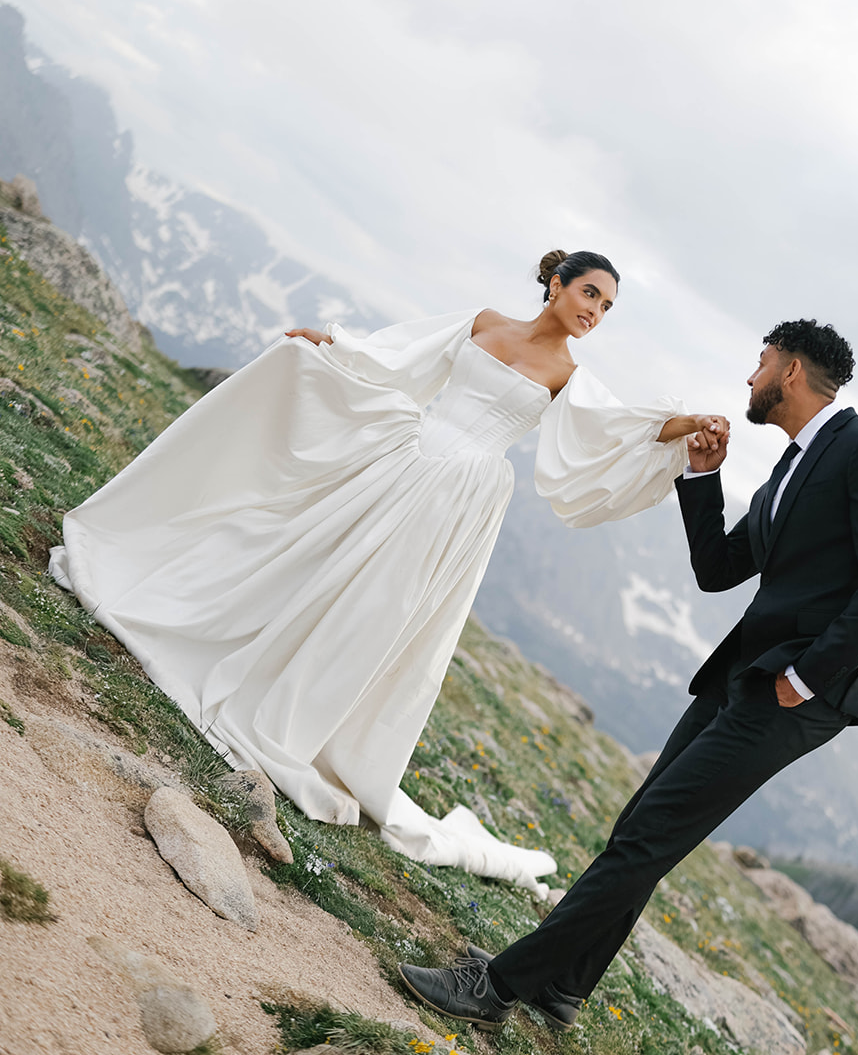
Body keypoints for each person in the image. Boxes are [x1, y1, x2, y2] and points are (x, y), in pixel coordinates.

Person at [49, 249, 725, 895]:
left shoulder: (571, 377)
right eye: (589, 294)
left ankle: (307, 712)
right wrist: (333, 351)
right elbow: (404, 360)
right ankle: (234, 636)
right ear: (556, 284)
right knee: (316, 552)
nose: (595, 312)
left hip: (461, 497)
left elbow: (615, 430)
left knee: (379, 606)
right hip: (409, 456)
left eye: (607, 307)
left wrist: (685, 424)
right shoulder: (486, 322)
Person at [399, 318, 858, 1030]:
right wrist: (701, 476)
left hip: (793, 694)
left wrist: (803, 677)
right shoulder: (789, 465)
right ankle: (564, 987)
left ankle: (496, 988)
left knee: (649, 835)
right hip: (742, 673)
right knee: (642, 827)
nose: (749, 377)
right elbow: (720, 570)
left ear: (791, 372)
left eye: (759, 362)